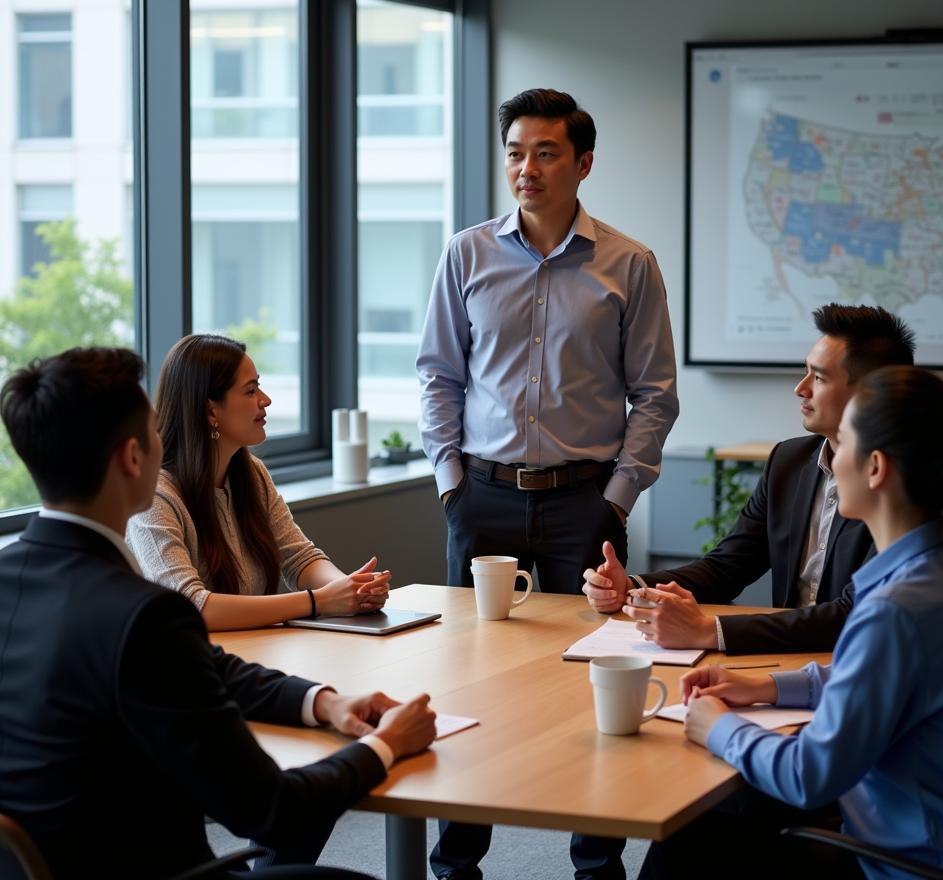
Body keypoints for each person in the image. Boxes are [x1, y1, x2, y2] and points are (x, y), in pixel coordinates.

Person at [0, 347, 437, 879]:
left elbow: (208, 666)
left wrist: (323, 701)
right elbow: (273, 809)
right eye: (156, 432)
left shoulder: (23, 581)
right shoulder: (143, 615)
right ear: (133, 459)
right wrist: (385, 746)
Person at [416, 87, 679, 880]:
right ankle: (457, 857)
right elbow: (438, 375)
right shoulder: (466, 253)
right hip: (483, 499)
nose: (525, 169)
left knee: (596, 677)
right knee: (470, 681)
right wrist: (451, 482)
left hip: (583, 501)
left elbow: (655, 394)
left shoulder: (628, 263)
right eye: (515, 153)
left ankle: (595, 861)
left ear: (583, 163)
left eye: (545, 152)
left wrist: (617, 497)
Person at [642, 366, 943, 879]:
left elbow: (809, 776)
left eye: (841, 443)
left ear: (875, 468)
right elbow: (876, 682)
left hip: (905, 863)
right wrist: (763, 687)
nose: (830, 458)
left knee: (694, 832)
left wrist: (719, 727)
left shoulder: (897, 610)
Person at [584, 303, 916, 654]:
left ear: (869, 395)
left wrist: (710, 630)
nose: (800, 389)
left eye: (818, 378)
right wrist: (632, 588)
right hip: (787, 660)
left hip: (857, 661)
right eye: (805, 373)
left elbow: (852, 613)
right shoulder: (790, 461)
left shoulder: (900, 482)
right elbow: (728, 566)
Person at [127, 333, 390, 630]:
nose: (265, 400)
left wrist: (351, 589)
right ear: (211, 411)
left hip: (249, 657)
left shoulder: (252, 474)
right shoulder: (155, 497)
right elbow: (191, 606)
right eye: (251, 391)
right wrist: (319, 601)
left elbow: (300, 558)